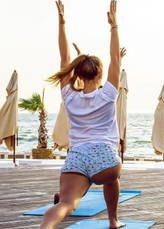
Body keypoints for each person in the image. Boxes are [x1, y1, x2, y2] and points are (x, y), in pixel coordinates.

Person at [41, 1, 125, 228]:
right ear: (100, 73)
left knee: (66, 205)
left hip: (76, 158)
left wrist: (62, 21)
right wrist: (113, 25)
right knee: (112, 178)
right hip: (106, 161)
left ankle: (47, 224)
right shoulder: (108, 94)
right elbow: (115, 58)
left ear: (76, 74)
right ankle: (113, 220)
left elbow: (64, 56)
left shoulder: (68, 95)